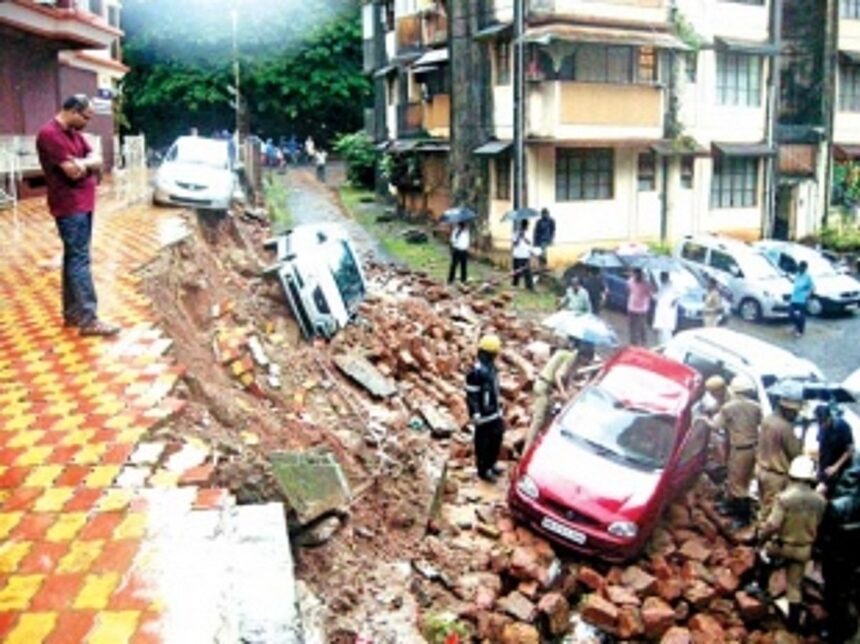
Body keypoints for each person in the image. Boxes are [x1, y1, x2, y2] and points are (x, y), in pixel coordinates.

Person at [36, 95, 119, 337]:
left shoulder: (74, 134)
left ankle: (73, 312)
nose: (88, 122)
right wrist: (86, 166)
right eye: (86, 117)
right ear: (73, 111)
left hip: (82, 204)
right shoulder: (50, 134)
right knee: (80, 260)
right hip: (69, 206)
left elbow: (96, 158)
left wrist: (85, 164)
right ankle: (88, 319)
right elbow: (72, 173)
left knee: (74, 258)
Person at [757, 455, 826, 632]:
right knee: (794, 587)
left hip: (782, 547)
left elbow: (773, 525)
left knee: (763, 556)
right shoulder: (820, 501)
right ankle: (793, 625)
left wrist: (761, 539)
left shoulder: (784, 498)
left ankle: (761, 589)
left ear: (791, 476)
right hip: (804, 549)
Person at [711, 376, 762, 527]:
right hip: (752, 448)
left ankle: (742, 517)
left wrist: (704, 421)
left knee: (738, 484)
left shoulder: (729, 407)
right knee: (740, 480)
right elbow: (760, 422)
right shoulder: (756, 406)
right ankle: (732, 508)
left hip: (740, 449)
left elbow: (716, 426)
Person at [525, 341, 594, 450]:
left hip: (549, 389)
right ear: (582, 356)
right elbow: (558, 375)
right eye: (585, 360)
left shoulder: (574, 361)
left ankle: (536, 449)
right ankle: (526, 452)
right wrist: (563, 393)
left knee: (547, 421)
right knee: (538, 420)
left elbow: (569, 379)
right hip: (544, 386)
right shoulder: (570, 357)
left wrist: (570, 392)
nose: (585, 363)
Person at [756, 396, 806, 522]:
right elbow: (796, 454)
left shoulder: (768, 420)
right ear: (786, 410)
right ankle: (765, 539)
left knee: (764, 506)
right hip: (776, 475)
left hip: (762, 469)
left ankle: (760, 530)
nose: (796, 415)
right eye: (794, 412)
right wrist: (802, 438)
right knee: (772, 511)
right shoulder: (785, 427)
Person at [466, 334, 505, 482]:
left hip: (494, 412)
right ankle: (483, 470)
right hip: (482, 415)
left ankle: (491, 464)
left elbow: (494, 388)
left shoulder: (491, 368)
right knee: (483, 443)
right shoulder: (476, 372)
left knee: (497, 438)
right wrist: (475, 412)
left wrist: (498, 404)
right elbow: (472, 395)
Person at [813, 404, 854, 497]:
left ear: (829, 417)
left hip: (839, 467)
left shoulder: (842, 426)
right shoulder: (821, 427)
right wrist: (818, 466)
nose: (822, 425)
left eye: (824, 422)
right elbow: (820, 447)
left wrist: (836, 467)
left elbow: (850, 450)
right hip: (825, 465)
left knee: (834, 494)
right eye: (819, 423)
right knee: (819, 491)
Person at [626, 267, 652, 346]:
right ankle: (635, 344)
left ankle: (641, 343)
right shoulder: (631, 281)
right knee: (634, 327)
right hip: (634, 308)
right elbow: (629, 290)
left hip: (640, 309)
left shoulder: (646, 283)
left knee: (640, 327)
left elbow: (649, 294)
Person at [652, 271, 678, 345]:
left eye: (661, 277)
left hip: (665, 314)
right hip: (663, 313)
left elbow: (658, 297)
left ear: (665, 277)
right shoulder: (665, 286)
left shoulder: (670, 287)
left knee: (665, 332)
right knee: (662, 332)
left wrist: (652, 293)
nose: (660, 279)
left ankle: (665, 346)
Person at [789, 261, 814, 337]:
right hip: (794, 298)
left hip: (802, 299)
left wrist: (808, 295)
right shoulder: (797, 274)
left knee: (800, 316)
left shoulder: (808, 277)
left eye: (802, 267)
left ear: (805, 268)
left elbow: (812, 287)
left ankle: (800, 330)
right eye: (799, 267)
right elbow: (795, 282)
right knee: (791, 313)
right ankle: (796, 325)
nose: (800, 268)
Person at [511, 220, 534, 290]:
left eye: (525, 226)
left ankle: (529, 286)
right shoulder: (516, 233)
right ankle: (515, 285)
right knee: (516, 271)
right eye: (523, 226)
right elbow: (515, 244)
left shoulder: (529, 233)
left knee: (527, 271)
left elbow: (529, 242)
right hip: (517, 254)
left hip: (525, 254)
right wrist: (518, 237)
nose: (525, 227)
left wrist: (524, 237)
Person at [533, 208, 556, 274]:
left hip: (546, 240)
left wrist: (551, 239)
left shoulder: (551, 221)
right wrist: (535, 241)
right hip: (540, 240)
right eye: (543, 214)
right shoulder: (539, 222)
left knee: (544, 254)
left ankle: (544, 266)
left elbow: (553, 230)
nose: (545, 215)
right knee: (540, 254)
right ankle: (541, 267)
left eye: (546, 214)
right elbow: (536, 231)